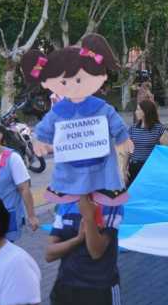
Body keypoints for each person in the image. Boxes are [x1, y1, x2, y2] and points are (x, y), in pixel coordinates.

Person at [21, 34, 134, 207]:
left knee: (104, 174)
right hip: (71, 159)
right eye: (64, 81)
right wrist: (40, 140)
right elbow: (45, 126)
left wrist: (124, 138)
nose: (73, 85)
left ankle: (108, 192)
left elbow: (114, 121)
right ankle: (66, 192)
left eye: (79, 79)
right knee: (67, 173)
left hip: (100, 158)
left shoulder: (101, 107)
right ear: (46, 83)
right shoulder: (58, 110)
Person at [45, 195, 125, 305]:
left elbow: (96, 252)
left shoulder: (111, 204)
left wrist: (88, 218)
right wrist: (78, 239)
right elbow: (50, 253)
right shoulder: (66, 204)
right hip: (64, 290)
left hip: (100, 291)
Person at [123, 100, 168, 188]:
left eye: (138, 110)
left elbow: (165, 153)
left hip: (151, 168)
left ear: (146, 111)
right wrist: (124, 168)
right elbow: (128, 150)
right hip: (134, 167)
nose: (135, 112)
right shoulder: (133, 128)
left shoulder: (160, 129)